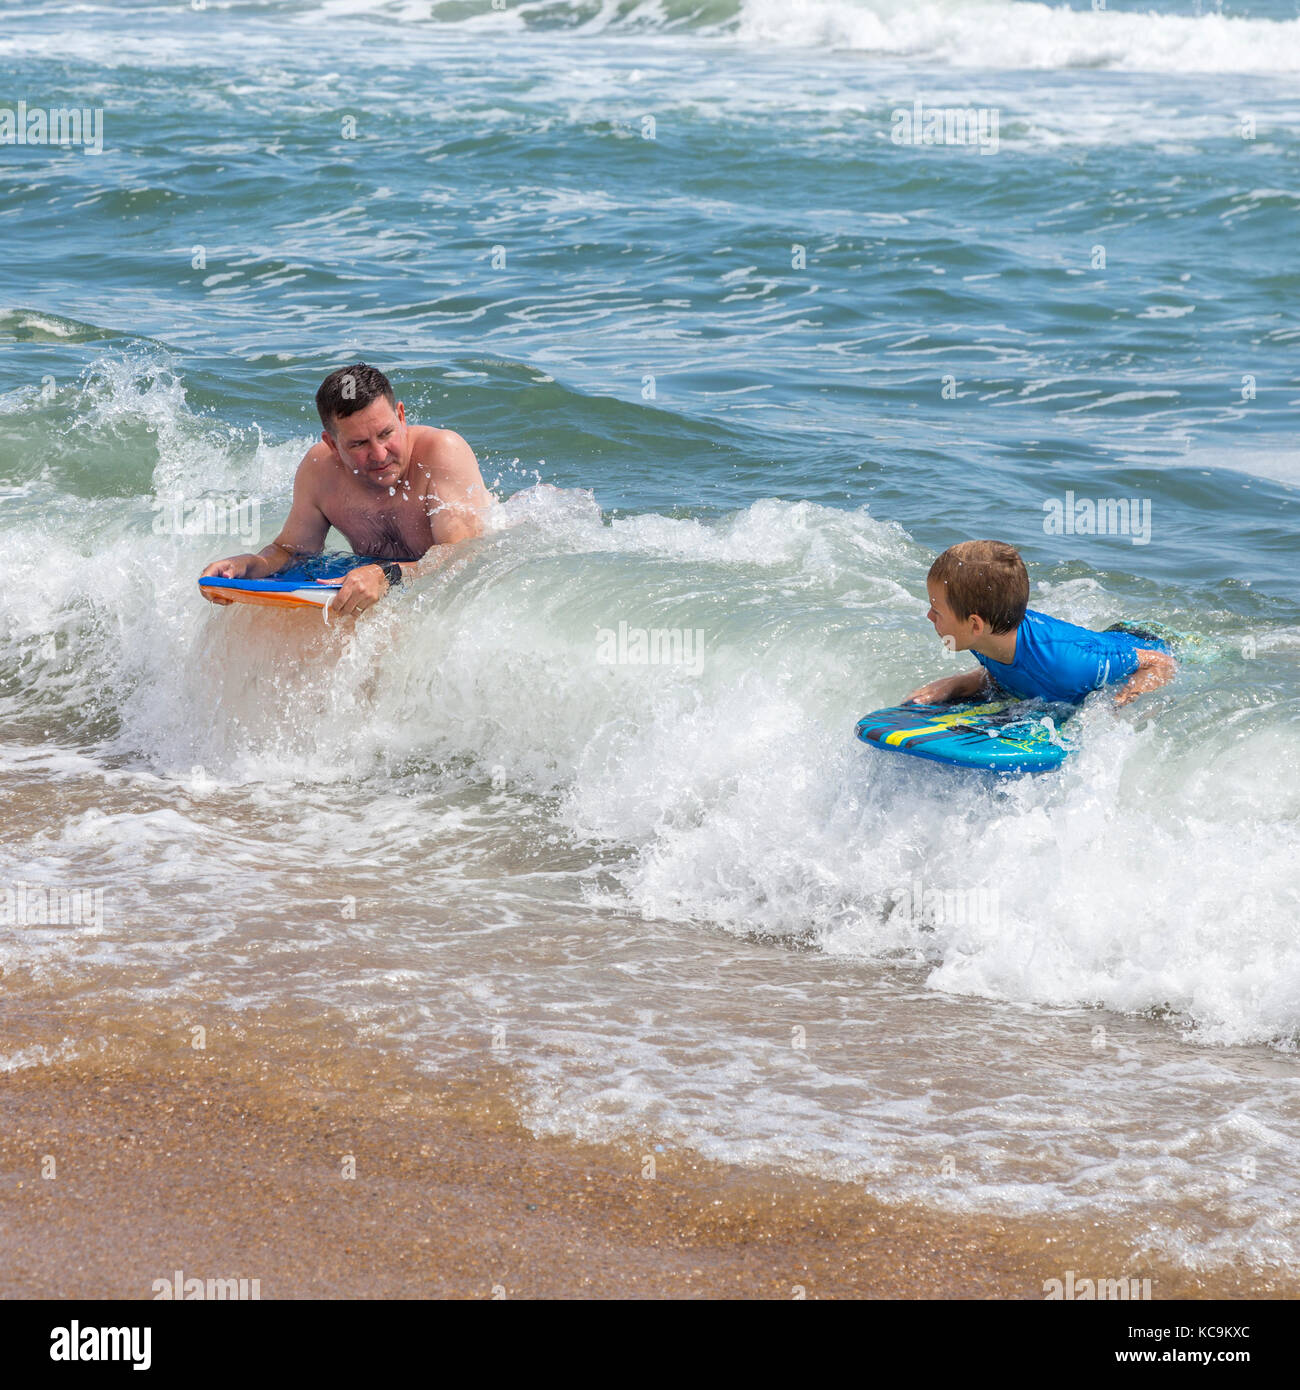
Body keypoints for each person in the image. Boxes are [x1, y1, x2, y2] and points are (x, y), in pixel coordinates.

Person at [199, 363, 493, 616]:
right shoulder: (320, 471)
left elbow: (463, 558)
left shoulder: (442, 452)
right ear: (332, 444)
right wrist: (246, 567)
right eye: (359, 444)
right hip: (386, 580)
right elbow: (291, 552)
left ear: (401, 416)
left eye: (386, 434)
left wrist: (386, 575)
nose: (379, 454)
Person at [905, 539, 1176, 708]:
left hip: (1148, 640)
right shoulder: (981, 636)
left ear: (975, 624)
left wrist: (1117, 706)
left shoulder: (1069, 663)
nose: (929, 616)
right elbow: (1012, 667)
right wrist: (955, 685)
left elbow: (1162, 662)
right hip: (1096, 646)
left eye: (936, 610)